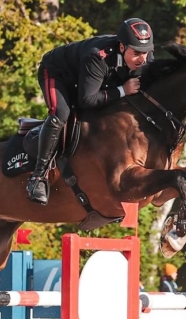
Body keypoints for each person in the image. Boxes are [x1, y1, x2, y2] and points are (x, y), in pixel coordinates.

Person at [26, 17, 155, 205]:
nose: (142, 59)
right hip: (58, 73)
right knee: (60, 114)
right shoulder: (98, 56)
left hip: (91, 80)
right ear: (121, 47)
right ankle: (37, 178)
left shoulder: (145, 58)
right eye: (136, 53)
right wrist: (122, 91)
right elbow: (86, 100)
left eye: (146, 52)